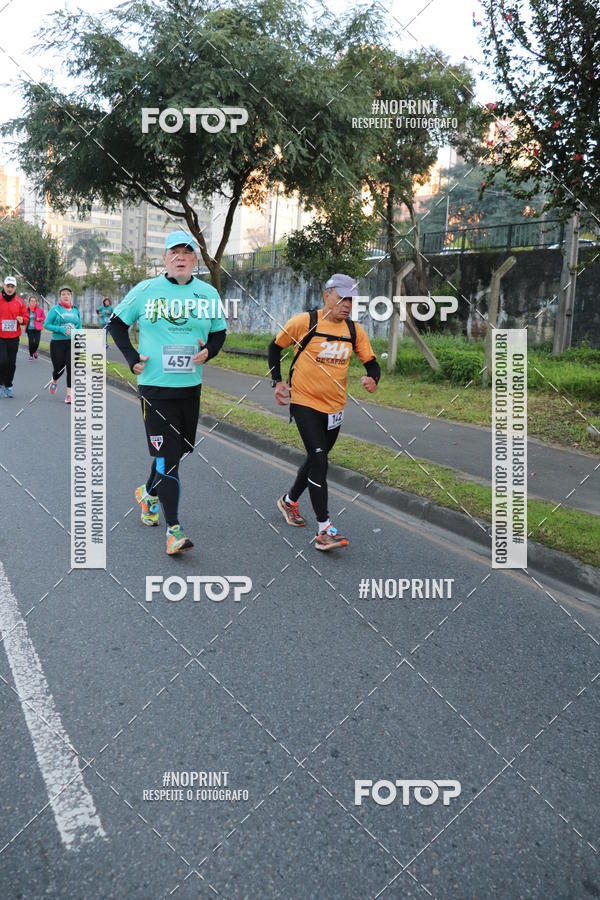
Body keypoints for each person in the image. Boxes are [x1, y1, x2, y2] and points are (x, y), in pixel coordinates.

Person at [108, 230, 227, 556]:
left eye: (187, 252)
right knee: (168, 459)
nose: (180, 257)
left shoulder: (208, 295)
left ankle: (148, 494)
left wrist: (209, 353)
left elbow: (219, 334)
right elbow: (116, 324)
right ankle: (174, 530)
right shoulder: (145, 290)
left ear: (194, 259)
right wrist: (132, 358)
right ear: (164, 258)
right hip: (155, 388)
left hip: (190, 388)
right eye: (174, 252)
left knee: (179, 451)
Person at [268, 273, 380, 550]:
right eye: (341, 298)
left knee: (316, 458)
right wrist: (277, 381)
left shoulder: (354, 331)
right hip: (305, 402)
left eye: (351, 299)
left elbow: (371, 362)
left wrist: (372, 379)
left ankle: (289, 501)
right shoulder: (304, 322)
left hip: (335, 407)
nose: (346, 304)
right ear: (326, 295)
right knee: (320, 461)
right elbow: (274, 347)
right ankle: (325, 529)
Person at [45, 286, 82, 404]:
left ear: (71, 296)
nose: (66, 296)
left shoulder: (76, 310)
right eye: (63, 294)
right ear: (60, 296)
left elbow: (79, 326)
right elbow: (47, 325)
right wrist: (60, 329)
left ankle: (69, 395)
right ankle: (54, 380)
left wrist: (77, 332)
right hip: (57, 344)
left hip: (72, 343)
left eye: (68, 294)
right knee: (58, 369)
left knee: (71, 368)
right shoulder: (55, 310)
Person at [0, 275, 28, 398]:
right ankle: (1, 384)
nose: (9, 289)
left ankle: (8, 385)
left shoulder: (20, 302)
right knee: (3, 361)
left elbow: (26, 317)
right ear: (3, 286)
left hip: (14, 338)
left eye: (12, 286)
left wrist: (22, 320)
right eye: (8, 286)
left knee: (11, 363)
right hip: (0, 337)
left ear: (15, 287)